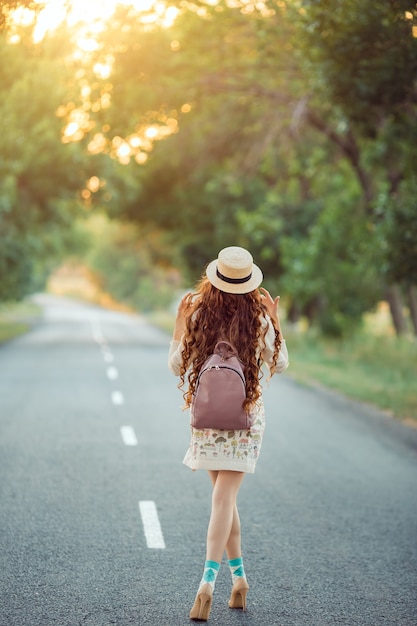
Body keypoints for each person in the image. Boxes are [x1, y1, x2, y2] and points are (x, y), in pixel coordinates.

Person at [168, 246, 289, 621]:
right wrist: (275, 321)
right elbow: (281, 365)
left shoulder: (200, 314)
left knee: (223, 500)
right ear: (249, 284)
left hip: (207, 419)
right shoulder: (259, 320)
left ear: (214, 280)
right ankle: (217, 582)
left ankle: (229, 582)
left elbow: (176, 367)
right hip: (246, 419)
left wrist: (179, 323)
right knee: (226, 500)